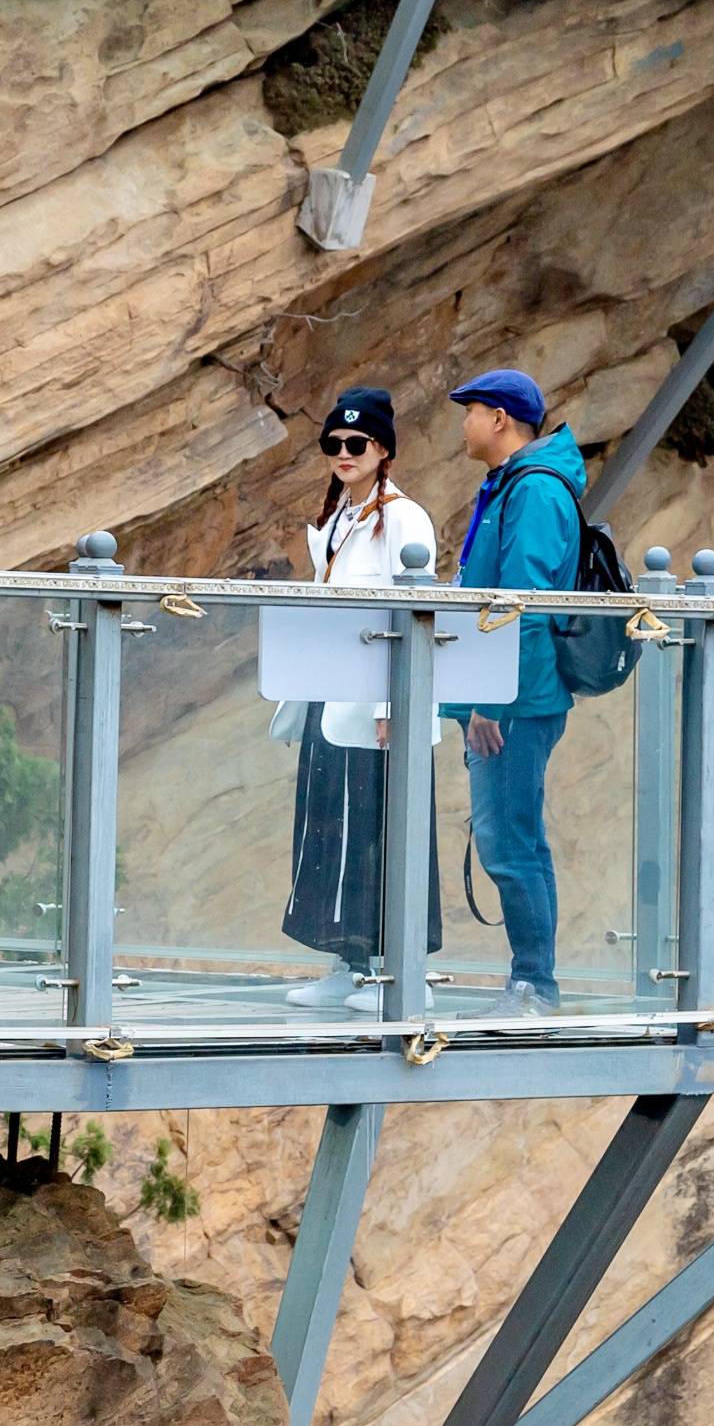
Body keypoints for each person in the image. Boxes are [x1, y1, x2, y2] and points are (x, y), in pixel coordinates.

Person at [278, 388, 439, 1012]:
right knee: (329, 829)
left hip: (379, 702)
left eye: (357, 443)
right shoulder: (342, 517)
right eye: (334, 444)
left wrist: (391, 705)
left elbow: (410, 611)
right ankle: (348, 962)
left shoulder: (404, 518)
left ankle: (405, 972)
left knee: (385, 829)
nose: (343, 453)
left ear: (383, 450)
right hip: (331, 695)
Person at [441, 367, 584, 1015]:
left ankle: (534, 984)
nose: (463, 425)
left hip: (516, 700)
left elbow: (520, 602)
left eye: (469, 411)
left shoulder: (533, 490)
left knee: (508, 838)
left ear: (499, 418)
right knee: (511, 834)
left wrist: (488, 700)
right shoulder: (509, 484)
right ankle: (531, 980)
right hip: (508, 691)